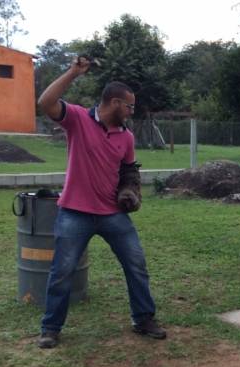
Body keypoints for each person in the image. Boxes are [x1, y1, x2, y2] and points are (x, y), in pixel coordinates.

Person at [35, 56, 166, 348]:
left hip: (112, 214)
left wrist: (130, 192)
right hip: (74, 213)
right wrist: (72, 73)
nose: (132, 112)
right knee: (62, 271)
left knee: (136, 264)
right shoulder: (78, 119)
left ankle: (143, 318)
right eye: (129, 106)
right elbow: (45, 103)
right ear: (116, 103)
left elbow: (129, 171)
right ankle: (51, 328)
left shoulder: (127, 137)